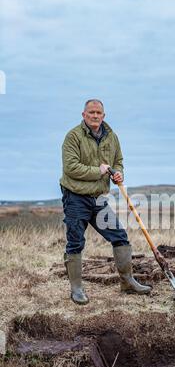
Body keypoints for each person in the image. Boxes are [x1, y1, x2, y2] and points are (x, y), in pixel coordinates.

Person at [60, 99, 151, 304]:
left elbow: (118, 161)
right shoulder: (73, 137)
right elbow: (71, 167)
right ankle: (76, 289)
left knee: (119, 236)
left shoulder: (112, 137)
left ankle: (127, 282)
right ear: (84, 115)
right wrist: (98, 171)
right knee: (75, 242)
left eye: (98, 112)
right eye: (91, 112)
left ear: (104, 115)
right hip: (75, 197)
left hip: (99, 199)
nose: (95, 115)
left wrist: (118, 173)